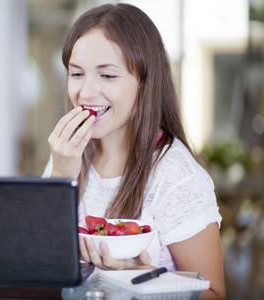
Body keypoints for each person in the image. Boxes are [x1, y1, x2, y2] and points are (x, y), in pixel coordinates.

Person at [43, 4, 225, 299]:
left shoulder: (176, 176)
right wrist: (62, 174)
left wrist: (140, 278)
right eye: (77, 74)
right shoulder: (68, 155)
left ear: (145, 83)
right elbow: (41, 261)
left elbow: (215, 295)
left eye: (108, 76)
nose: (86, 92)